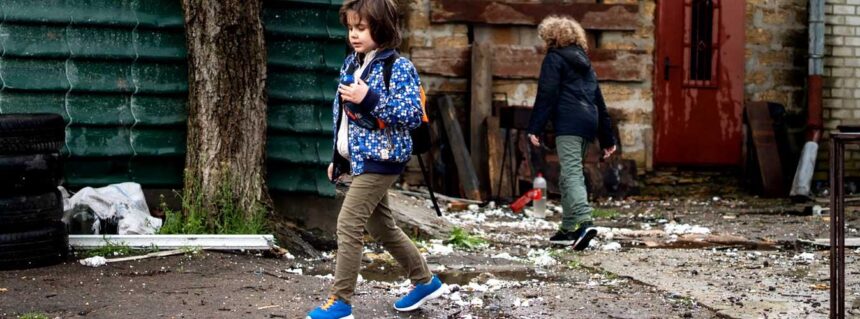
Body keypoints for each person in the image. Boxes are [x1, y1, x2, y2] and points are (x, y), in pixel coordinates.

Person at [306, 1, 444, 318]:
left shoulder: (397, 67)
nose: (354, 35)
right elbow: (343, 118)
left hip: (382, 159)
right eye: (351, 28)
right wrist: (338, 159)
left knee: (348, 223)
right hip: (360, 160)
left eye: (362, 28)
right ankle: (424, 280)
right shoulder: (351, 64)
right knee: (382, 227)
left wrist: (369, 98)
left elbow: (410, 114)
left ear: (381, 28)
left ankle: (340, 301)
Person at [527, 16, 617, 251]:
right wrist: (607, 137)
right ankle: (568, 229)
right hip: (588, 121)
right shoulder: (584, 62)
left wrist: (535, 127)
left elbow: (547, 94)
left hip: (569, 122)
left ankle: (585, 222)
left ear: (550, 38)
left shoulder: (554, 59)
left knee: (572, 172)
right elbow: (599, 100)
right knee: (568, 176)